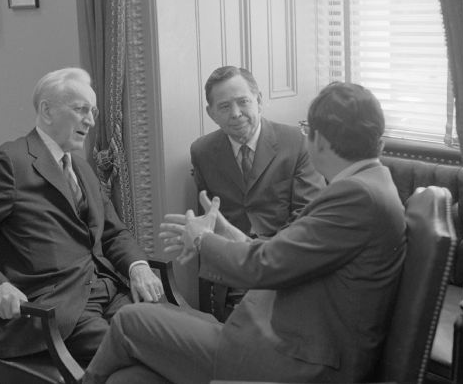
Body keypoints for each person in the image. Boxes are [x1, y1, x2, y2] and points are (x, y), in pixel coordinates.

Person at [83, 82, 407, 384]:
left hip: (294, 359)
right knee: (130, 379)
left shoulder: (355, 196)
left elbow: (263, 265)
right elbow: (290, 252)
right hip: (284, 334)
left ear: (320, 140)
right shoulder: (370, 184)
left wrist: (201, 239)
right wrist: (227, 232)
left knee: (129, 321)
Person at [0, 68, 164, 363]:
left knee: (171, 335)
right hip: (53, 311)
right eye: (81, 110)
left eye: (92, 112)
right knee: (142, 357)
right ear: (47, 110)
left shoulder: (82, 168)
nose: (91, 121)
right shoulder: (12, 162)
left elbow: (113, 232)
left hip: (108, 291)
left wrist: (138, 266)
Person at [191, 66, 324, 319]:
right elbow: (209, 220)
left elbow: (307, 219)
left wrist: (262, 257)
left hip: (284, 264)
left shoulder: (296, 142)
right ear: (211, 114)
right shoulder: (202, 151)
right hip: (234, 273)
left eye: (243, 102)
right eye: (224, 106)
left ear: (259, 101)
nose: (236, 113)